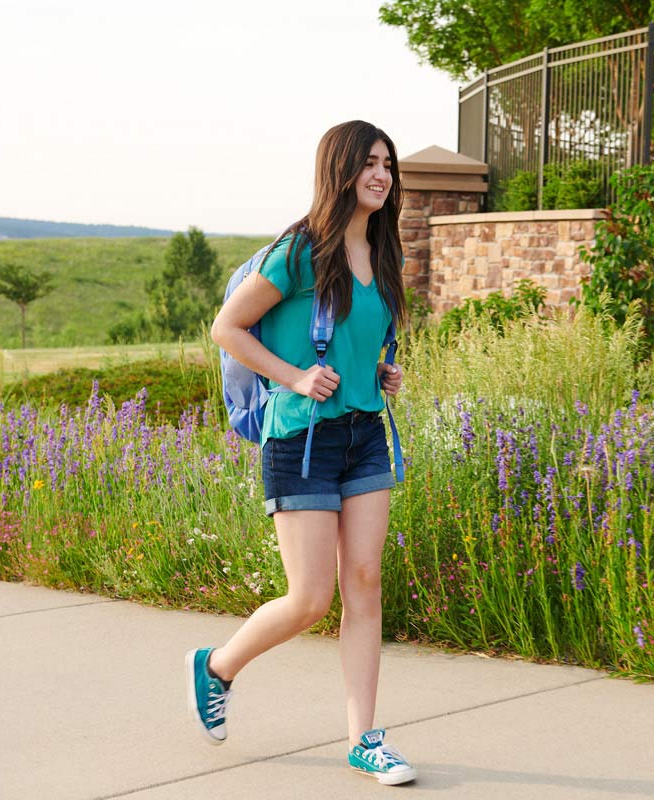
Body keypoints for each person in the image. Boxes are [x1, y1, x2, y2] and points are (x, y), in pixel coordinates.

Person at [189, 120, 415, 786]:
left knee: (365, 585)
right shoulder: (299, 252)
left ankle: (365, 739)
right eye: (368, 164)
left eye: (387, 165)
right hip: (301, 441)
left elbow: (357, 343)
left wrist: (381, 374)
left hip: (365, 433)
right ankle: (216, 666)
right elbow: (226, 327)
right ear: (339, 170)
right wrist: (291, 376)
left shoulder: (382, 253)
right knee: (311, 598)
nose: (380, 175)